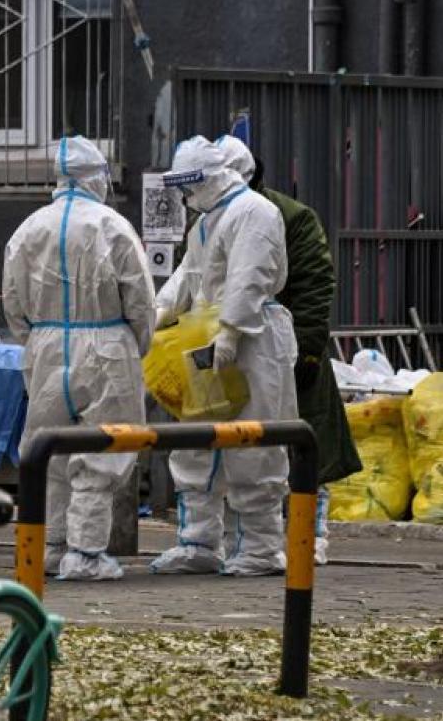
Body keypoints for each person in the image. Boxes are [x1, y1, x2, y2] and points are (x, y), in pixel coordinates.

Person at [2, 135, 155, 581]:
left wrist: (36, 338)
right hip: (107, 346)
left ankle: (48, 546)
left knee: (48, 451)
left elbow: (13, 302)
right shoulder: (113, 226)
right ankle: (86, 553)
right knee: (100, 449)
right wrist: (137, 344)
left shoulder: (28, 229)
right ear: (97, 177)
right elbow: (141, 300)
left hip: (48, 346)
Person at [149, 135, 297, 576]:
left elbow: (250, 276)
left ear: (213, 177)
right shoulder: (207, 223)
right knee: (198, 440)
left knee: (255, 442)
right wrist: (162, 308)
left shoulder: (254, 212)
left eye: (191, 186)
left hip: (252, 340)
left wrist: (231, 331)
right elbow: (190, 274)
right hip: (207, 335)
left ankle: (262, 547)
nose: (186, 197)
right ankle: (199, 541)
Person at [235, 145, 361, 565]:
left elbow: (313, 284)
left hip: (283, 345)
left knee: (305, 444)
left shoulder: (288, 217)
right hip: (241, 348)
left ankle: (311, 531)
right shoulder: (213, 215)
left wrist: (306, 351)